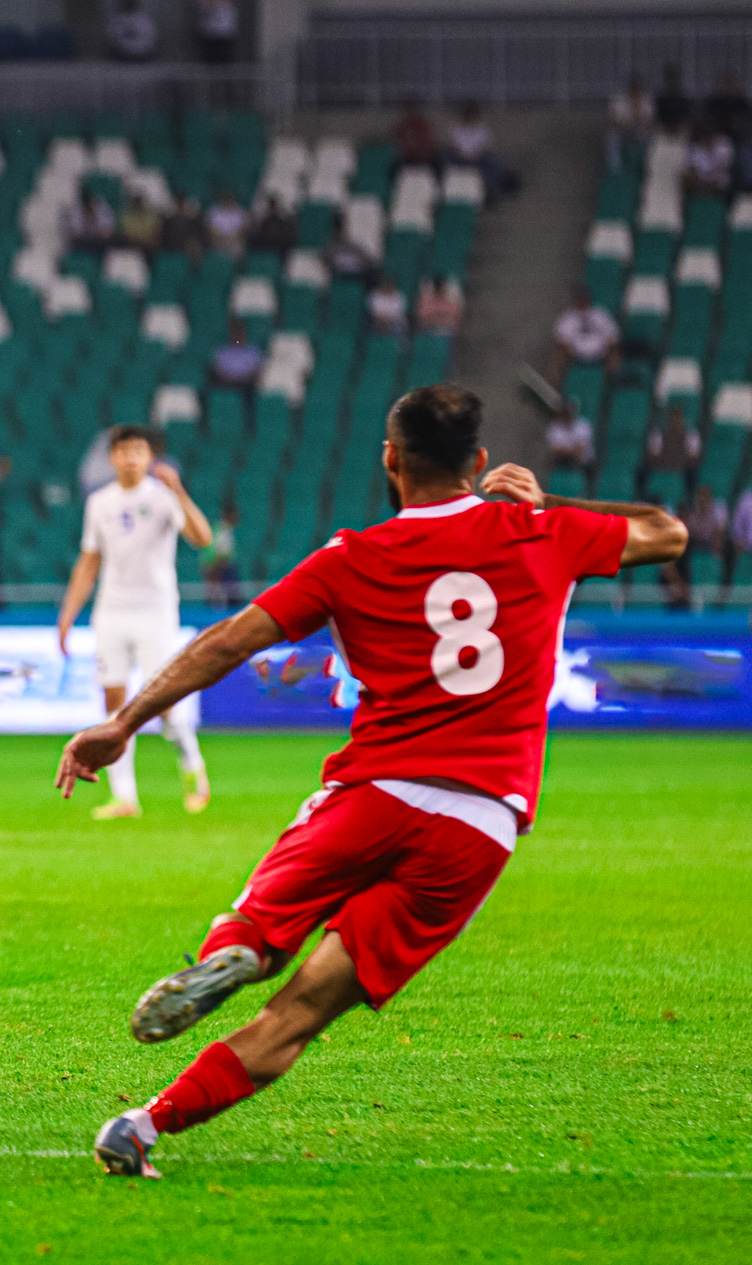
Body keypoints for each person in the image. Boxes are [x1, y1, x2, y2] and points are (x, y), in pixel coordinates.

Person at [70, 384, 685, 1178]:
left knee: (262, 928)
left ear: (391, 460)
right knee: (303, 1014)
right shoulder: (544, 532)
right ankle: (145, 1125)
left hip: (376, 792)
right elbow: (667, 532)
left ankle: (240, 950)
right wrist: (546, 496)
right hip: (481, 823)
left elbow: (230, 639)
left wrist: (124, 722)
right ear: (481, 464)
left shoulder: (350, 556)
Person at [56, 424, 215, 819]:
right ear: (112, 458)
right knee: (114, 704)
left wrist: (179, 491)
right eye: (124, 451)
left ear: (150, 457)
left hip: (156, 612)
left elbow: (203, 538)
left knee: (162, 702)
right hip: (111, 612)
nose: (131, 457)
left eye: (138, 451)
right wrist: (68, 614)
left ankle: (193, 765)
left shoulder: (162, 499)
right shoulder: (100, 503)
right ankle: (125, 797)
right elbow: (89, 561)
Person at [550, 287, 620, 381]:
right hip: (575, 353)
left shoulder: (600, 314)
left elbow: (613, 335)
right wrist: (569, 349)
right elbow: (561, 337)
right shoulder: (568, 317)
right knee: (558, 354)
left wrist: (607, 347)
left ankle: (608, 385)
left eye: (584, 300)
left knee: (615, 353)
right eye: (579, 300)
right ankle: (556, 388)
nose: (582, 303)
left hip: (600, 353)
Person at [643, 405, 700, 493]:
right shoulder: (658, 434)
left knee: (693, 472)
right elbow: (651, 456)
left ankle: (689, 498)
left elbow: (695, 458)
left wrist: (676, 458)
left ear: (682, 419)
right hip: (662, 467)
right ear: (669, 418)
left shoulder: (691, 435)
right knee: (643, 469)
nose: (675, 420)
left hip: (682, 468)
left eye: (678, 417)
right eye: (673, 417)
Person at [608, 73, 654, 172]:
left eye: (637, 87)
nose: (634, 89)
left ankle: (646, 166)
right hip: (623, 131)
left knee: (650, 138)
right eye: (633, 86)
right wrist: (631, 118)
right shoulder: (620, 99)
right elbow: (616, 119)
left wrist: (637, 113)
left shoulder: (646, 100)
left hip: (640, 132)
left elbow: (649, 119)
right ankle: (616, 168)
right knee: (612, 137)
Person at [545, 402, 596, 482]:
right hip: (562, 461)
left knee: (586, 465)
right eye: (565, 412)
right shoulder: (555, 427)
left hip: (583, 463)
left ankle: (586, 490)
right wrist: (571, 450)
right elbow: (554, 450)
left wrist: (564, 449)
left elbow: (580, 452)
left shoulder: (583, 426)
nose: (568, 415)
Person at [210, 320, 264, 390]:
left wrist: (244, 379)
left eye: (240, 333)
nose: (238, 336)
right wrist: (230, 379)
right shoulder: (222, 351)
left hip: (246, 385)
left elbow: (257, 371)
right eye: (236, 333)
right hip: (226, 384)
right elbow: (217, 371)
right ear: (231, 334)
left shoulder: (253, 351)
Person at [368, 273, 409, 338]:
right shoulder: (374, 295)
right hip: (378, 322)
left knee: (399, 326)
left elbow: (400, 315)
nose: (387, 286)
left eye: (389, 284)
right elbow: (373, 312)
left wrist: (388, 320)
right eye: (386, 284)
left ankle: (397, 346)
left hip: (394, 323)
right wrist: (383, 320)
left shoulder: (399, 297)